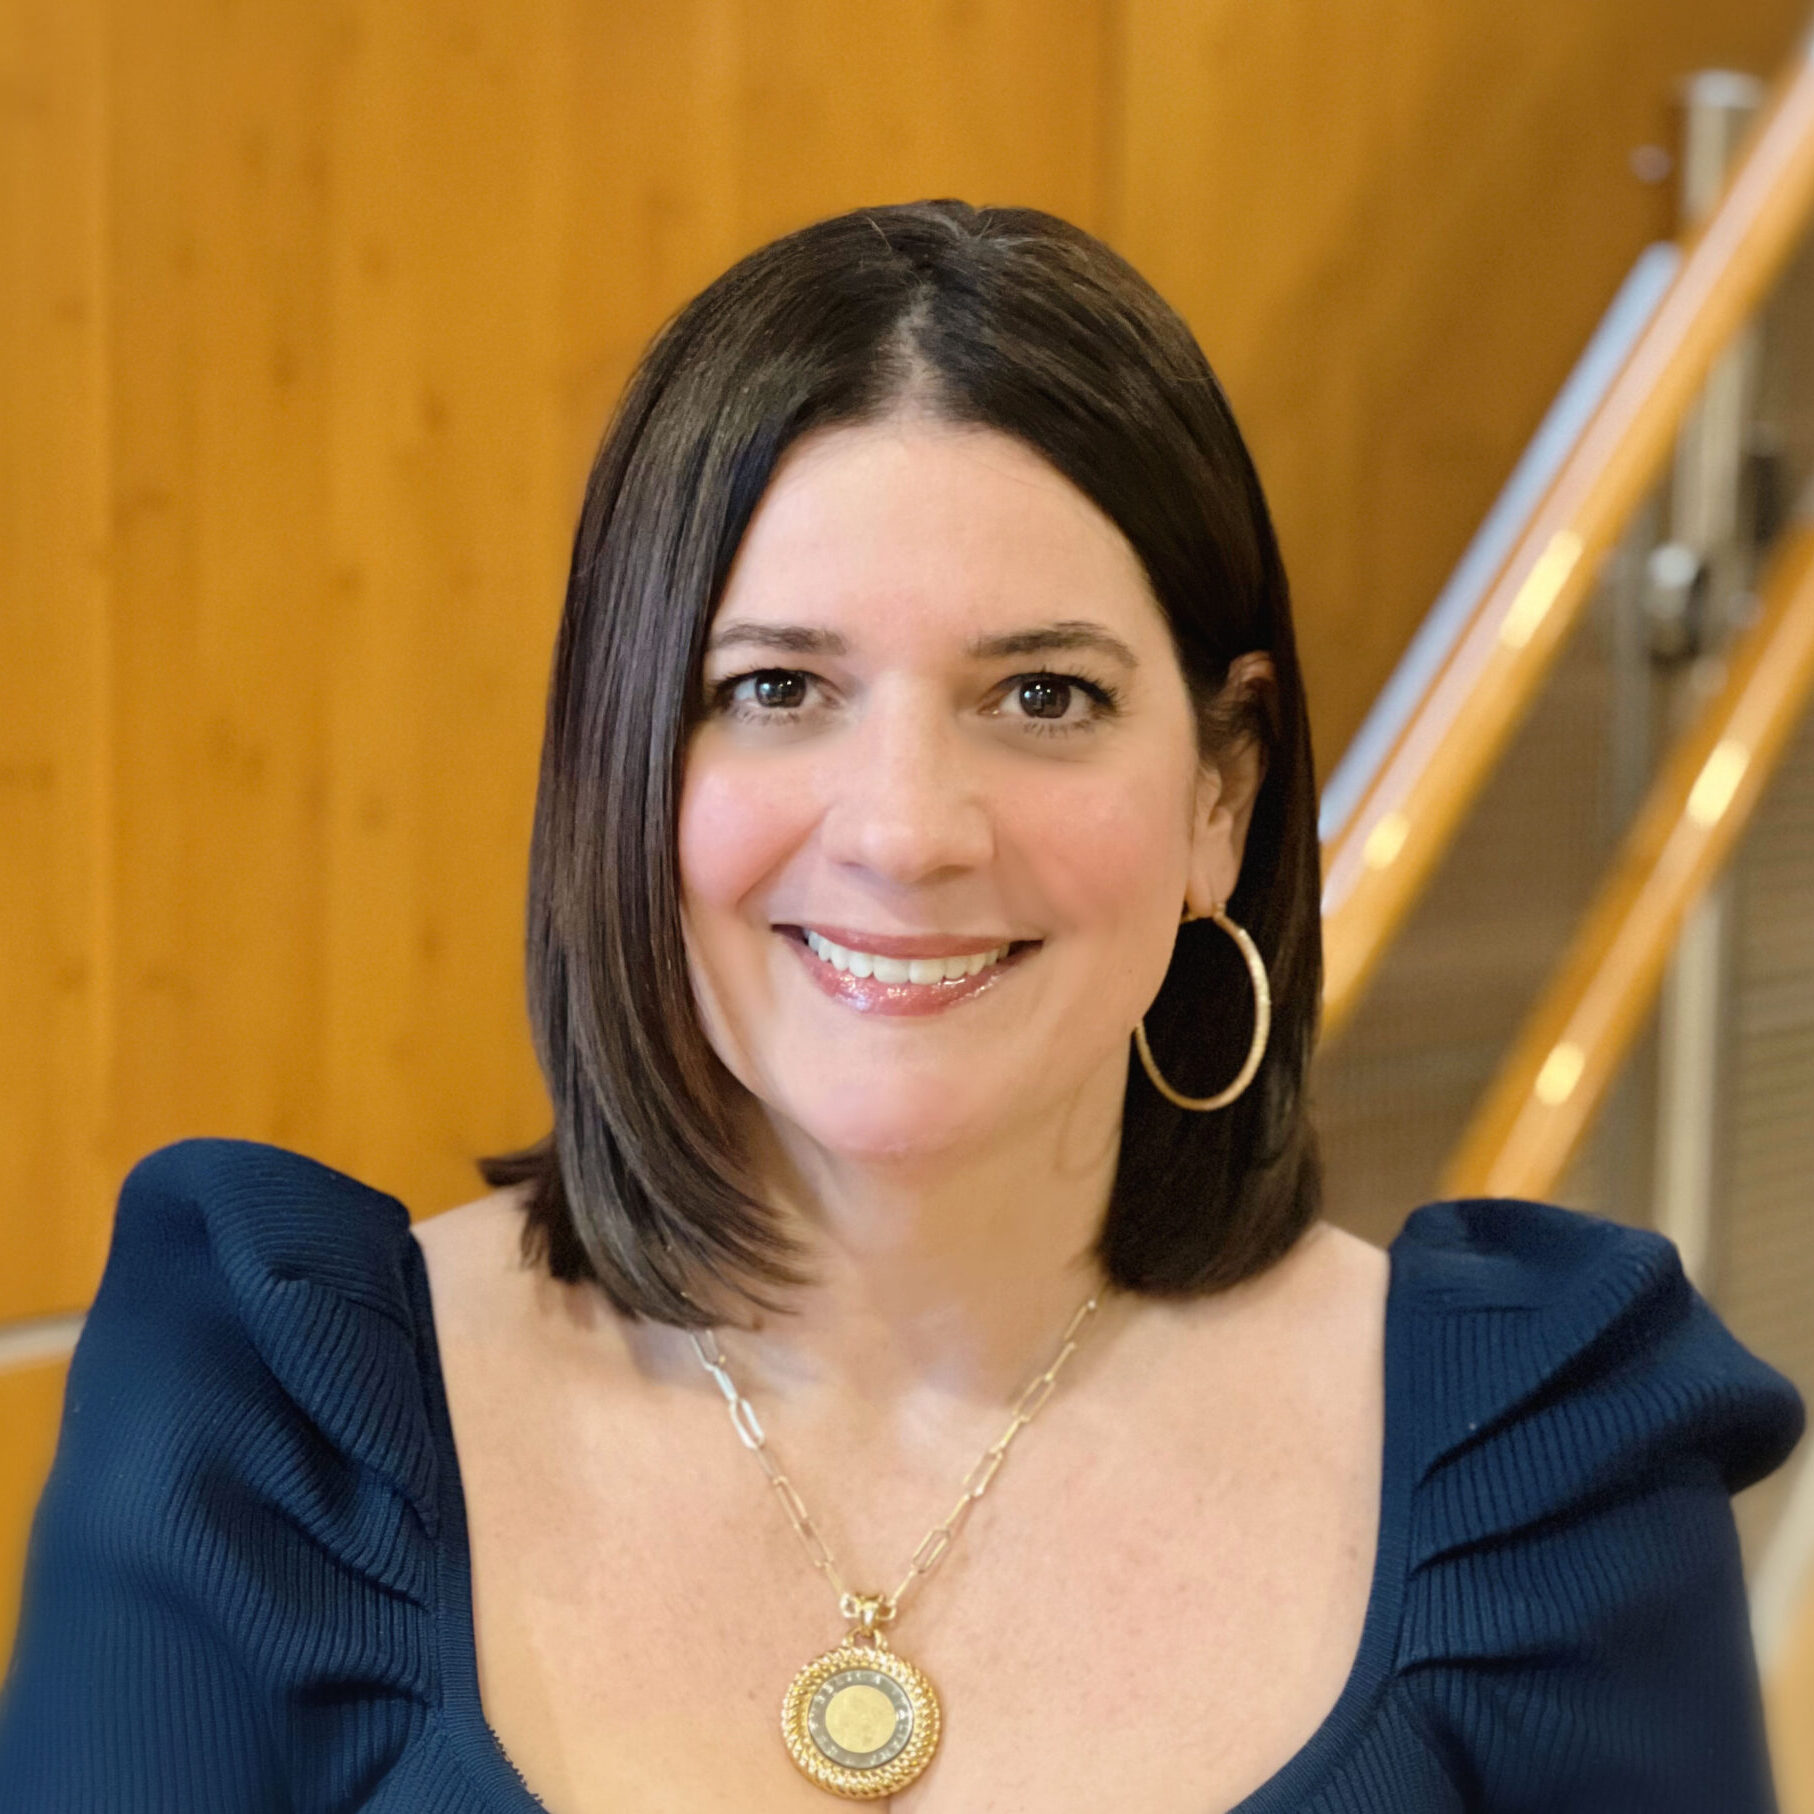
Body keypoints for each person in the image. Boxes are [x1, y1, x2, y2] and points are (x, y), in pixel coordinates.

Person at [0, 200, 1803, 1813]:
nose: (904, 833)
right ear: (623, 765)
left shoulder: (1540, 1462)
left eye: (1041, 698)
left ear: (1221, 795)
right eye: (777, 687)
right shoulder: (268, 1426)